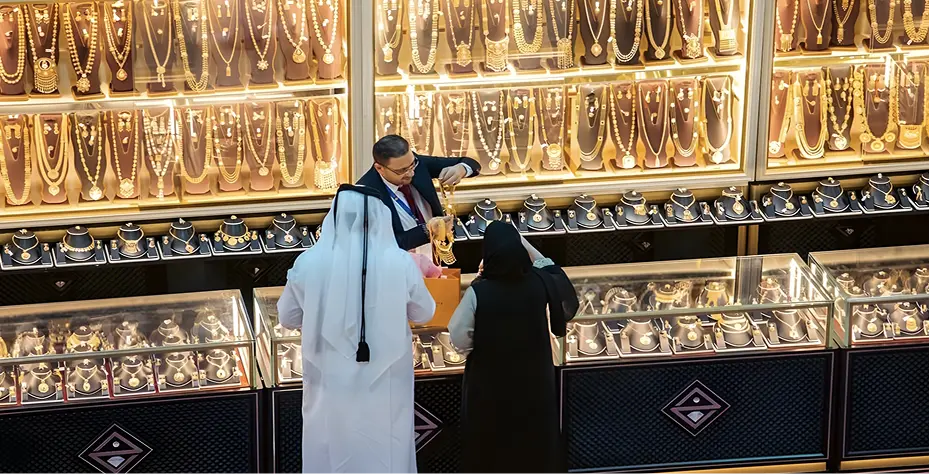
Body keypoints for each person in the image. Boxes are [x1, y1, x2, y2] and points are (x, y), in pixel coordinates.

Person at [277, 184, 436, 474]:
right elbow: (424, 312)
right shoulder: (400, 262)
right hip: (386, 385)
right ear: (382, 217)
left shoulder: (309, 261)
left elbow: (287, 317)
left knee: (329, 451)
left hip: (328, 382)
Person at [448, 221, 578, 474]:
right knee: (533, 439)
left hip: (489, 382)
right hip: (534, 379)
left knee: (492, 442)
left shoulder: (479, 292)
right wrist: (525, 244)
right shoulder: (540, 282)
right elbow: (557, 282)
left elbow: (459, 334)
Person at [356, 134, 481, 252]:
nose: (411, 173)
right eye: (402, 170)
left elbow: (471, 163)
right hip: (398, 265)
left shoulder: (418, 164)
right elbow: (384, 244)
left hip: (434, 254)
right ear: (380, 168)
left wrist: (462, 169)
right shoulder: (364, 194)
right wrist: (427, 231)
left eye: (412, 165)